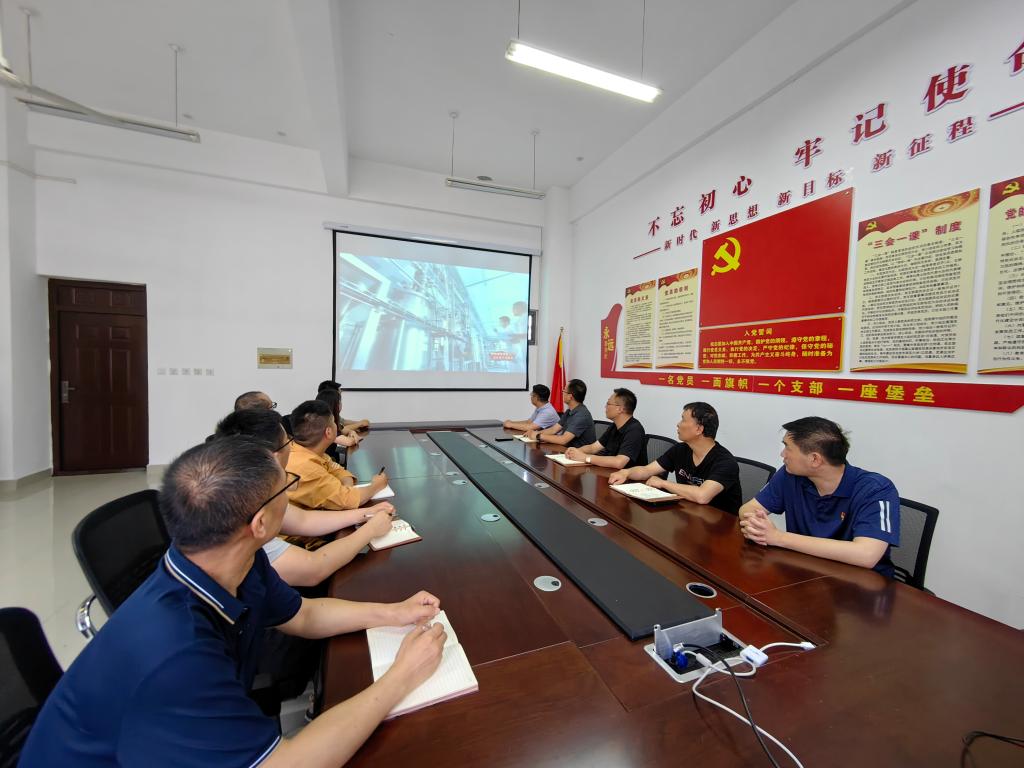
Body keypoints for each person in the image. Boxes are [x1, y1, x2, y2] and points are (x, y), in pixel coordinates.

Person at [20, 437, 445, 767]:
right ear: (260, 523)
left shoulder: (236, 558)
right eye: (286, 488)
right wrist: (401, 676)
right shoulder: (176, 654)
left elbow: (303, 613)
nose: (290, 495)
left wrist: (393, 613)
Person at [214, 408, 393, 587]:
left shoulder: (244, 489)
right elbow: (313, 569)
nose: (293, 446)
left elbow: (303, 519)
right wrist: (370, 530)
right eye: (288, 441)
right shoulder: (242, 519)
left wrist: (366, 513)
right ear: (273, 458)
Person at [738, 416, 900, 576]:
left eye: (787, 448)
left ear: (815, 459)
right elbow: (748, 509)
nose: (783, 454)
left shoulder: (876, 489)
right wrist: (758, 526)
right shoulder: (790, 475)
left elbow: (867, 555)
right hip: (805, 570)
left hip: (860, 582)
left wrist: (778, 538)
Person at [608, 401, 742, 514]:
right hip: (689, 514)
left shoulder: (725, 462)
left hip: (720, 527)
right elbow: (647, 470)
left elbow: (702, 496)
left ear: (699, 429)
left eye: (683, 420)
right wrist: (626, 472)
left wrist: (663, 483)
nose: (678, 424)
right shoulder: (680, 449)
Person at [287, 400, 387, 509]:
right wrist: (376, 485)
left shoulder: (311, 451)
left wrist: (344, 492)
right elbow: (348, 500)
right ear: (328, 432)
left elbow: (340, 472)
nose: (337, 426)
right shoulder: (305, 467)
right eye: (334, 422)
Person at [565, 388, 647, 468]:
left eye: (608, 404)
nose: (605, 407)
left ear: (620, 409)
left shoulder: (635, 430)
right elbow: (593, 448)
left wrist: (586, 458)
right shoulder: (614, 426)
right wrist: (575, 451)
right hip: (610, 472)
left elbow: (619, 462)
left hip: (627, 476)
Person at [525, 378, 596, 448]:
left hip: (580, 453)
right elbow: (553, 429)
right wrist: (534, 433)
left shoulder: (581, 415)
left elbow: (563, 440)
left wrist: (538, 436)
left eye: (564, 391)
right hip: (568, 451)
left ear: (570, 396)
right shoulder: (569, 411)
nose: (562, 393)